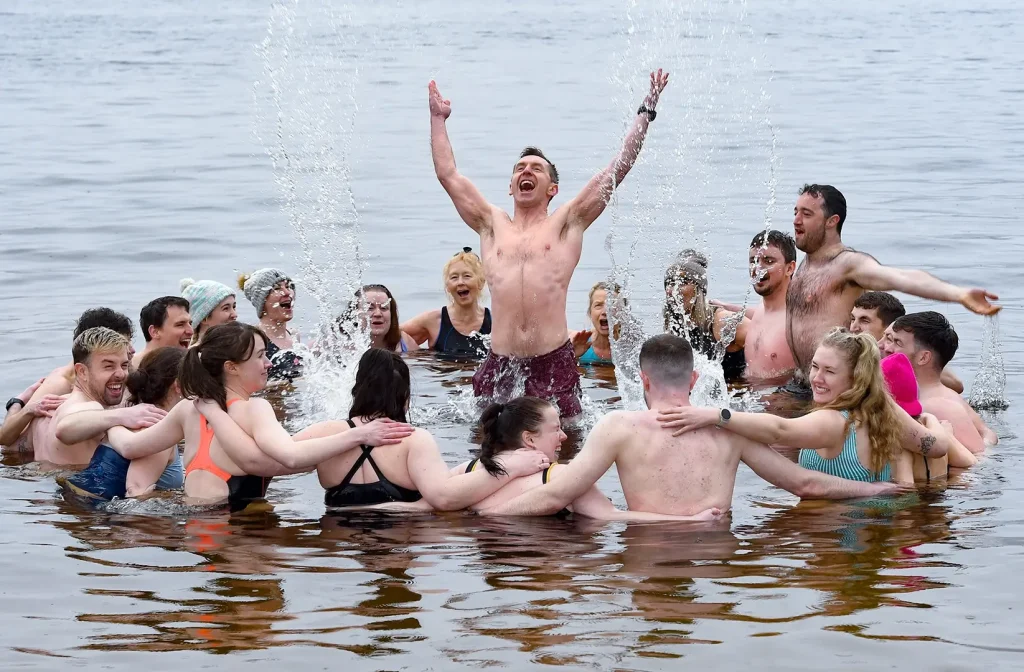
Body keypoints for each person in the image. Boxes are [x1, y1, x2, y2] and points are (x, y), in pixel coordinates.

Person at [429, 70, 670, 417]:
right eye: (520, 168)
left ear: (552, 188)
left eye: (536, 169)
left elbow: (618, 168)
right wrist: (438, 119)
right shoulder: (490, 224)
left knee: (564, 441)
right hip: (501, 364)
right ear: (511, 186)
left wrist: (646, 110)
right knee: (488, 440)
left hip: (552, 362)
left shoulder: (567, 222)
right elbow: (448, 175)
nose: (526, 171)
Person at [486, 335, 905, 518]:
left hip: (647, 552)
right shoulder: (731, 430)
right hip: (714, 559)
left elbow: (557, 494)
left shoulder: (618, 427)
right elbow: (805, 485)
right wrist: (877, 490)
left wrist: (483, 517)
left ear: (643, 379)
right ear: (693, 379)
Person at [96, 323, 417, 511]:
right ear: (231, 367)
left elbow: (130, 447)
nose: (269, 364)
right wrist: (359, 434)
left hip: (197, 533)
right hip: (240, 533)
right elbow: (291, 456)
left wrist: (110, 418)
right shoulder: (255, 409)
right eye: (261, 357)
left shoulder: (188, 408)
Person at [239, 348, 552, 509]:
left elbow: (267, 464)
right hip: (399, 544)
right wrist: (510, 467)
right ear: (405, 395)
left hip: (339, 552)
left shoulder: (327, 433)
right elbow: (444, 498)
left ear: (358, 388)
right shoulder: (413, 440)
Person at [658, 328, 951, 484]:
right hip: (863, 536)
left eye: (829, 371)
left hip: (839, 540)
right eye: (814, 367)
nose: (816, 379)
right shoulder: (882, 408)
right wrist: (935, 424)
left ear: (855, 378)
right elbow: (935, 446)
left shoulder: (835, 421)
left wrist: (716, 415)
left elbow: (779, 430)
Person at [785, 183, 999, 382]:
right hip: (803, 383)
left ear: (832, 221)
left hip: (839, 386)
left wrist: (957, 294)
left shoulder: (847, 264)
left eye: (807, 214)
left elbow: (902, 278)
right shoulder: (805, 265)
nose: (796, 220)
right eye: (796, 212)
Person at [450, 397, 717, 520]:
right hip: (540, 561)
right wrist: (690, 522)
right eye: (556, 429)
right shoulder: (560, 476)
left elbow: (432, 501)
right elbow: (612, 516)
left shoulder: (468, 470)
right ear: (529, 439)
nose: (564, 436)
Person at [61, 347, 189, 500]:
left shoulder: (127, 416)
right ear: (178, 386)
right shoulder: (158, 431)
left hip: (72, 498)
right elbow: (136, 492)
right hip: (91, 509)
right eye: (196, 380)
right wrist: (175, 499)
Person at [2, 308, 135, 451]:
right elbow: (7, 440)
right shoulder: (61, 383)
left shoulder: (121, 369)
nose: (131, 350)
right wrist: (20, 406)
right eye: (124, 342)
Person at [45, 328, 167, 466]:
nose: (121, 374)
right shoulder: (89, 407)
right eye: (109, 366)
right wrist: (124, 415)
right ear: (82, 371)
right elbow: (64, 429)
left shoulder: (52, 409)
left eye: (124, 365)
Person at [880, 311, 998, 453]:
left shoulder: (941, 406)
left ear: (923, 358)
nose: (886, 348)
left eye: (897, 342)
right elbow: (987, 433)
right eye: (890, 340)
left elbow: (978, 459)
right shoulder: (950, 397)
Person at [881, 352, 977, 480]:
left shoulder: (898, 442)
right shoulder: (935, 431)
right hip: (940, 488)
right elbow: (969, 462)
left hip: (917, 491)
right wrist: (947, 434)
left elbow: (906, 486)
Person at [851, 291, 964, 393]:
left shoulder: (906, 351)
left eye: (865, 321)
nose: (853, 328)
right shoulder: (851, 350)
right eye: (852, 319)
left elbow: (955, 384)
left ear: (890, 326)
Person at [663, 253, 749, 381]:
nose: (674, 290)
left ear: (699, 289)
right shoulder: (676, 327)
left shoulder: (722, 321)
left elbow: (768, 345)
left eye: (683, 283)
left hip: (739, 391)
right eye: (670, 283)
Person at [401, 247, 492, 359]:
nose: (460, 282)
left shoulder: (495, 323)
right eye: (454, 277)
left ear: (481, 282)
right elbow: (391, 334)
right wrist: (419, 355)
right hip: (441, 370)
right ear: (448, 286)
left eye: (467, 276)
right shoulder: (434, 321)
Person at [744, 230, 798, 381]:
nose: (757, 269)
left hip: (783, 395)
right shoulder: (762, 309)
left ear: (789, 268)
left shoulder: (798, 320)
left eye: (768, 262)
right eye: (753, 261)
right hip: (747, 390)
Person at [239, 269, 302, 381]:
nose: (287, 292)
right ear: (262, 301)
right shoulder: (253, 340)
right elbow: (249, 385)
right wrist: (290, 384)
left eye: (288, 286)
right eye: (277, 288)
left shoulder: (293, 334)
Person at [133, 296, 193, 368]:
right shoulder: (130, 369)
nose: (191, 331)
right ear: (155, 332)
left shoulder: (194, 366)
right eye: (180, 325)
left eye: (190, 324)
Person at [573, 282, 619, 366]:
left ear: (624, 313)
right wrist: (573, 357)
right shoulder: (579, 344)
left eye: (612, 305)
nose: (605, 311)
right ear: (590, 313)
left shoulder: (633, 349)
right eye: (598, 305)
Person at [180, 278, 237, 344]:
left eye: (234, 307)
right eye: (226, 308)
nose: (234, 315)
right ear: (204, 318)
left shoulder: (237, 347)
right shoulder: (199, 351)